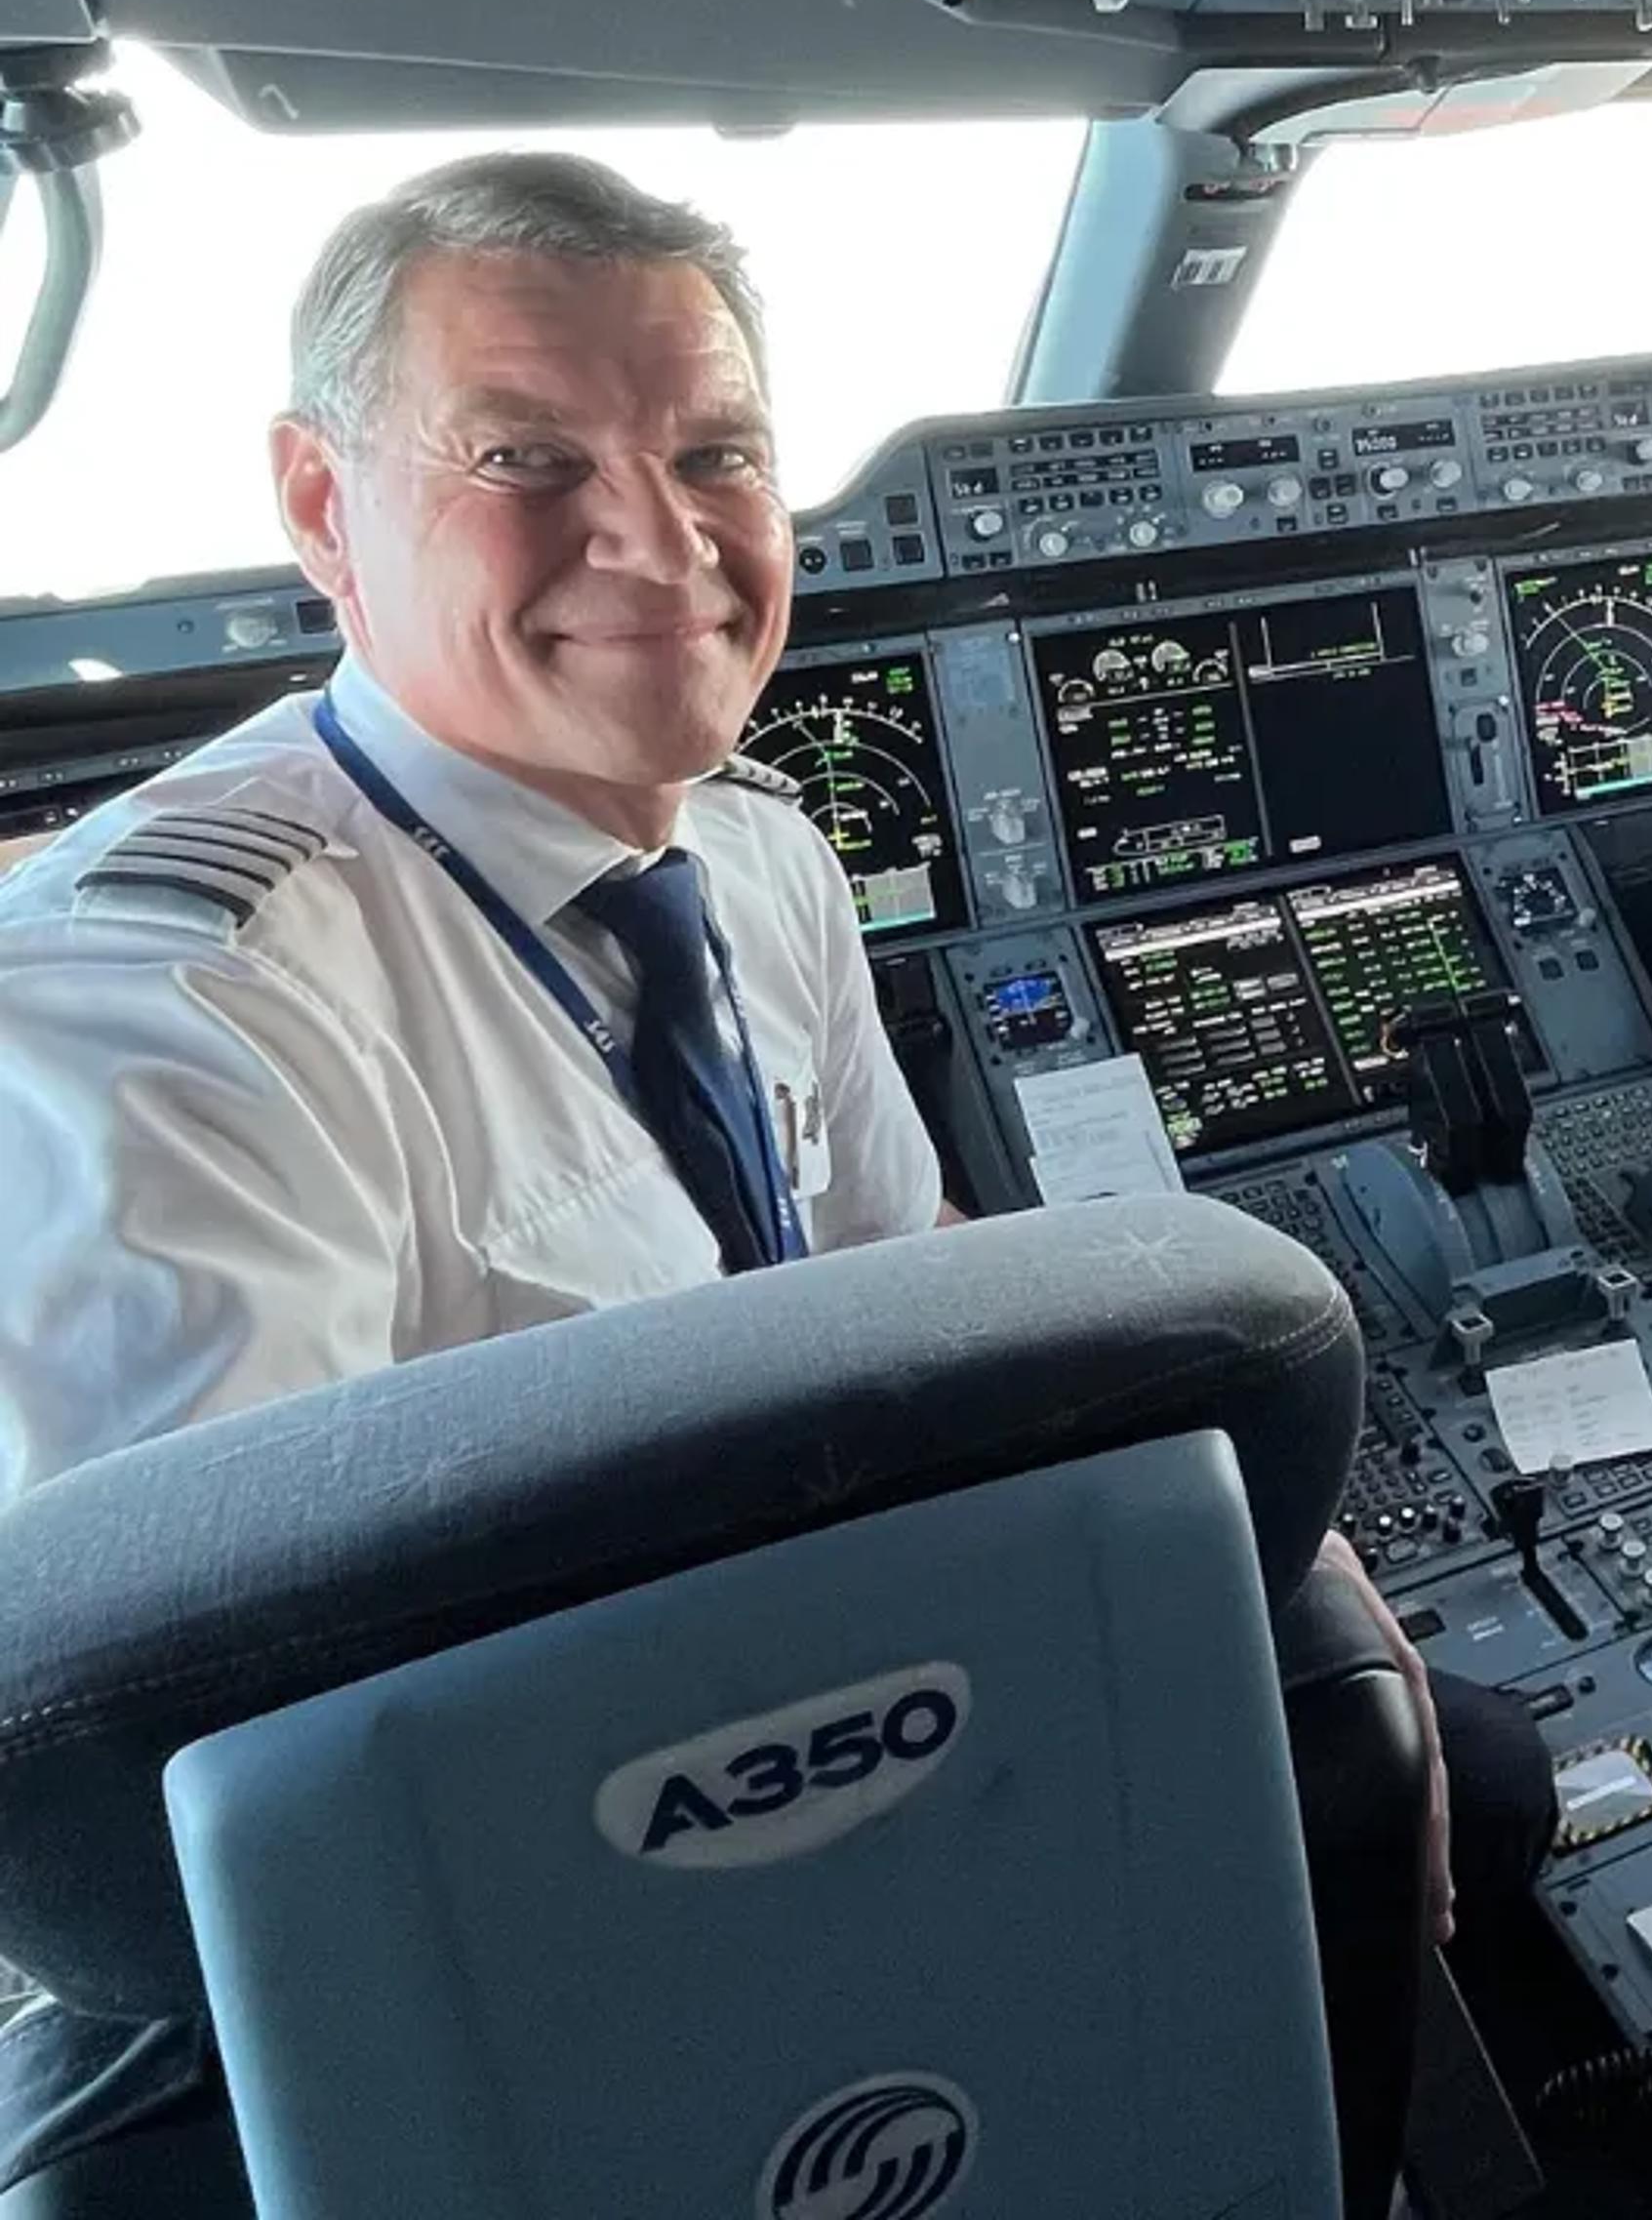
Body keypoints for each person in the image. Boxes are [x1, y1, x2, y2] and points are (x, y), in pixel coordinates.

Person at [0, 157, 1548, 2057]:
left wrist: (1285, 1537)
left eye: (717, 454)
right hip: (566, 1850)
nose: (662, 545)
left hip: (854, 1638)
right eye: (526, 458)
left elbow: (912, 1261)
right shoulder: (171, 1002)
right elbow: (218, 1743)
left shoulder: (757, 852)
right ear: (325, 506)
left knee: (1443, 1762)